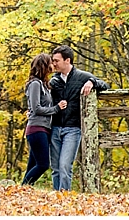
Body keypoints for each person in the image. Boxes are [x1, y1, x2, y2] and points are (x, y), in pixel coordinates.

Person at [48, 45, 110, 191]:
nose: (54, 64)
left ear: (67, 60)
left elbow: (105, 85)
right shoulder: (53, 81)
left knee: (65, 165)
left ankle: (65, 197)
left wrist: (92, 82)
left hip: (73, 129)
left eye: (56, 60)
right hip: (55, 128)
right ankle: (57, 198)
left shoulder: (82, 77)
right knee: (55, 167)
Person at [21, 53, 66, 186]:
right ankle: (21, 188)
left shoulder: (44, 84)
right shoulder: (35, 84)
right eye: (50, 63)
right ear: (44, 65)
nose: (53, 65)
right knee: (43, 164)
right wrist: (56, 108)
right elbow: (36, 108)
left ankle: (23, 191)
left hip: (44, 129)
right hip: (36, 128)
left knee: (33, 164)